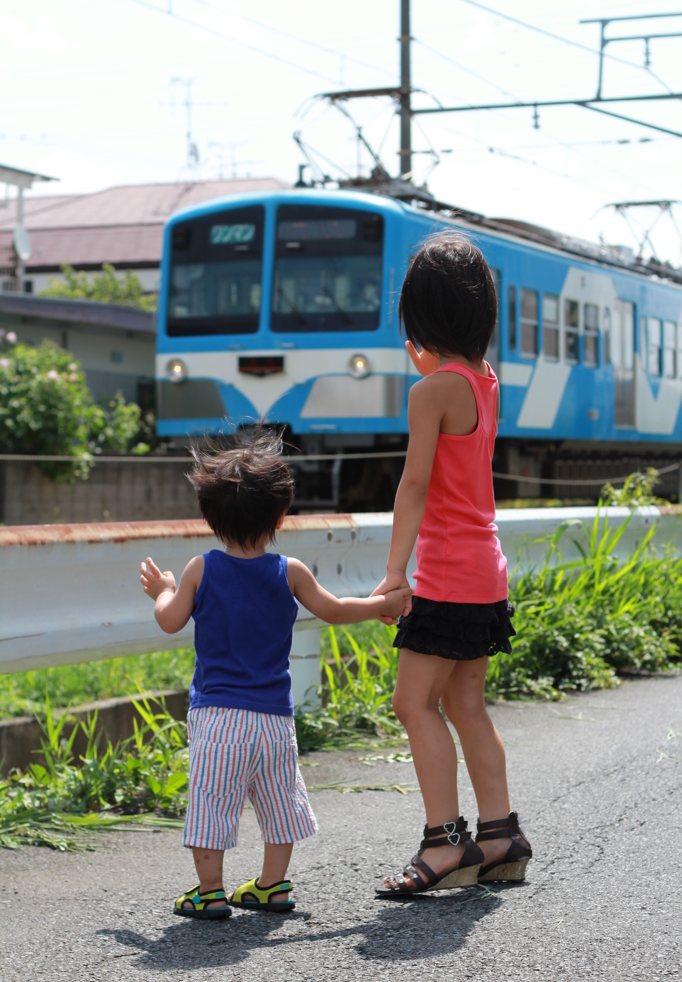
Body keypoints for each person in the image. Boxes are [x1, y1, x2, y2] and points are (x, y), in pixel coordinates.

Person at [140, 429, 410, 920]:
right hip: (274, 720)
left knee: (211, 801)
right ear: (280, 515)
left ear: (211, 516)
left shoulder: (202, 568)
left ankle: (210, 890)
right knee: (279, 801)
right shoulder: (290, 570)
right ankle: (271, 885)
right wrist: (382, 605)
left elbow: (169, 620)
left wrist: (162, 588)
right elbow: (335, 609)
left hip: (219, 716)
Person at [373, 233, 532, 897]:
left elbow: (414, 486)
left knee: (413, 704)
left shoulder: (430, 392)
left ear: (421, 313)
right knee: (466, 703)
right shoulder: (484, 380)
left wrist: (392, 573)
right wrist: (434, 372)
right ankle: (500, 836)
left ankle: (444, 844)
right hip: (484, 571)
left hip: (443, 572)